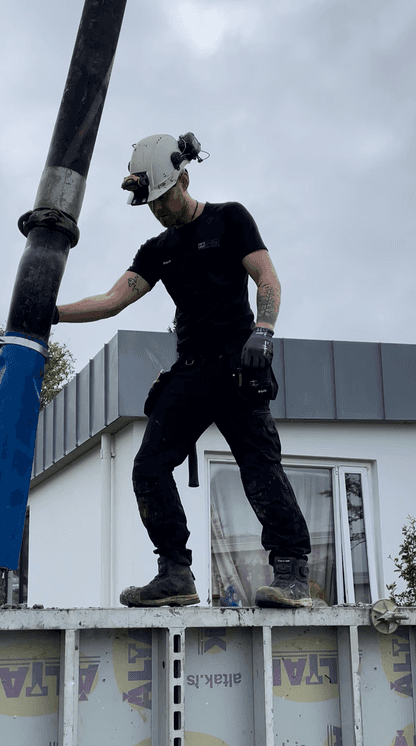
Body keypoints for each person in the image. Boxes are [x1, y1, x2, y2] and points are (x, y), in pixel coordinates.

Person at [56, 133, 312, 609]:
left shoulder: (230, 218)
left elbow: (266, 277)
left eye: (164, 198)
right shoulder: (157, 250)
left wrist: (264, 331)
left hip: (239, 363)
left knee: (259, 465)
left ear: (185, 180)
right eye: (151, 203)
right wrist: (52, 313)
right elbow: (112, 301)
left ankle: (292, 572)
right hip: (193, 369)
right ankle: (175, 573)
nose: (158, 209)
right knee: (149, 467)